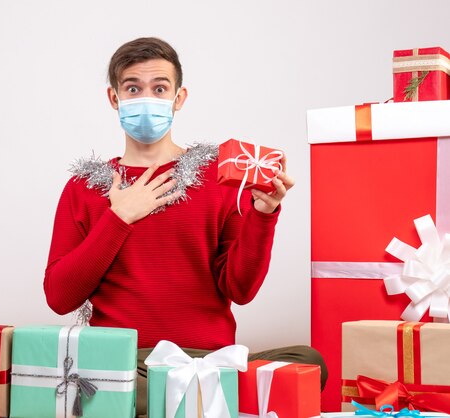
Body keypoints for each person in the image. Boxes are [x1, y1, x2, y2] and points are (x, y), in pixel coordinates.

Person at [44, 37, 326, 417]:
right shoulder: (86, 188)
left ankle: (186, 394)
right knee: (97, 381)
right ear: (114, 98)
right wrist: (119, 217)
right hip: (130, 364)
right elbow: (60, 297)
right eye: (133, 88)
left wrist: (262, 213)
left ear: (179, 98)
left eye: (159, 88)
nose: (147, 98)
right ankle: (197, 399)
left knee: (307, 362)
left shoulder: (218, 176)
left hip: (210, 360)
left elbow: (239, 290)